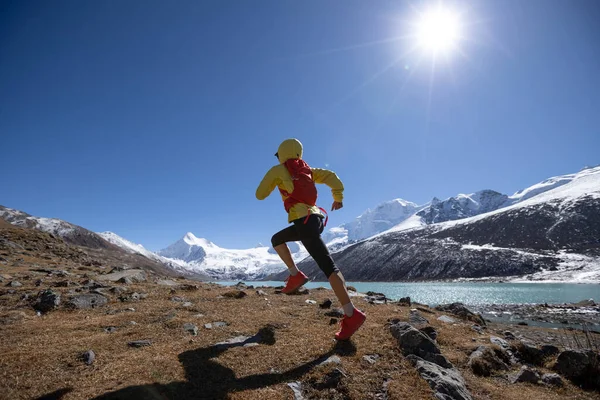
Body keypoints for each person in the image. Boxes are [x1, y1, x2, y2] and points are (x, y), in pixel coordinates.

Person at [255, 138, 366, 340]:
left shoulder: (278, 170)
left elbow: (260, 195)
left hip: (303, 222)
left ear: (281, 153)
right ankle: (295, 275)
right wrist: (337, 197)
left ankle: (351, 314)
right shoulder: (309, 170)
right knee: (277, 239)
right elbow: (332, 176)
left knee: (328, 267)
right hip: (315, 219)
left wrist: (276, 182)